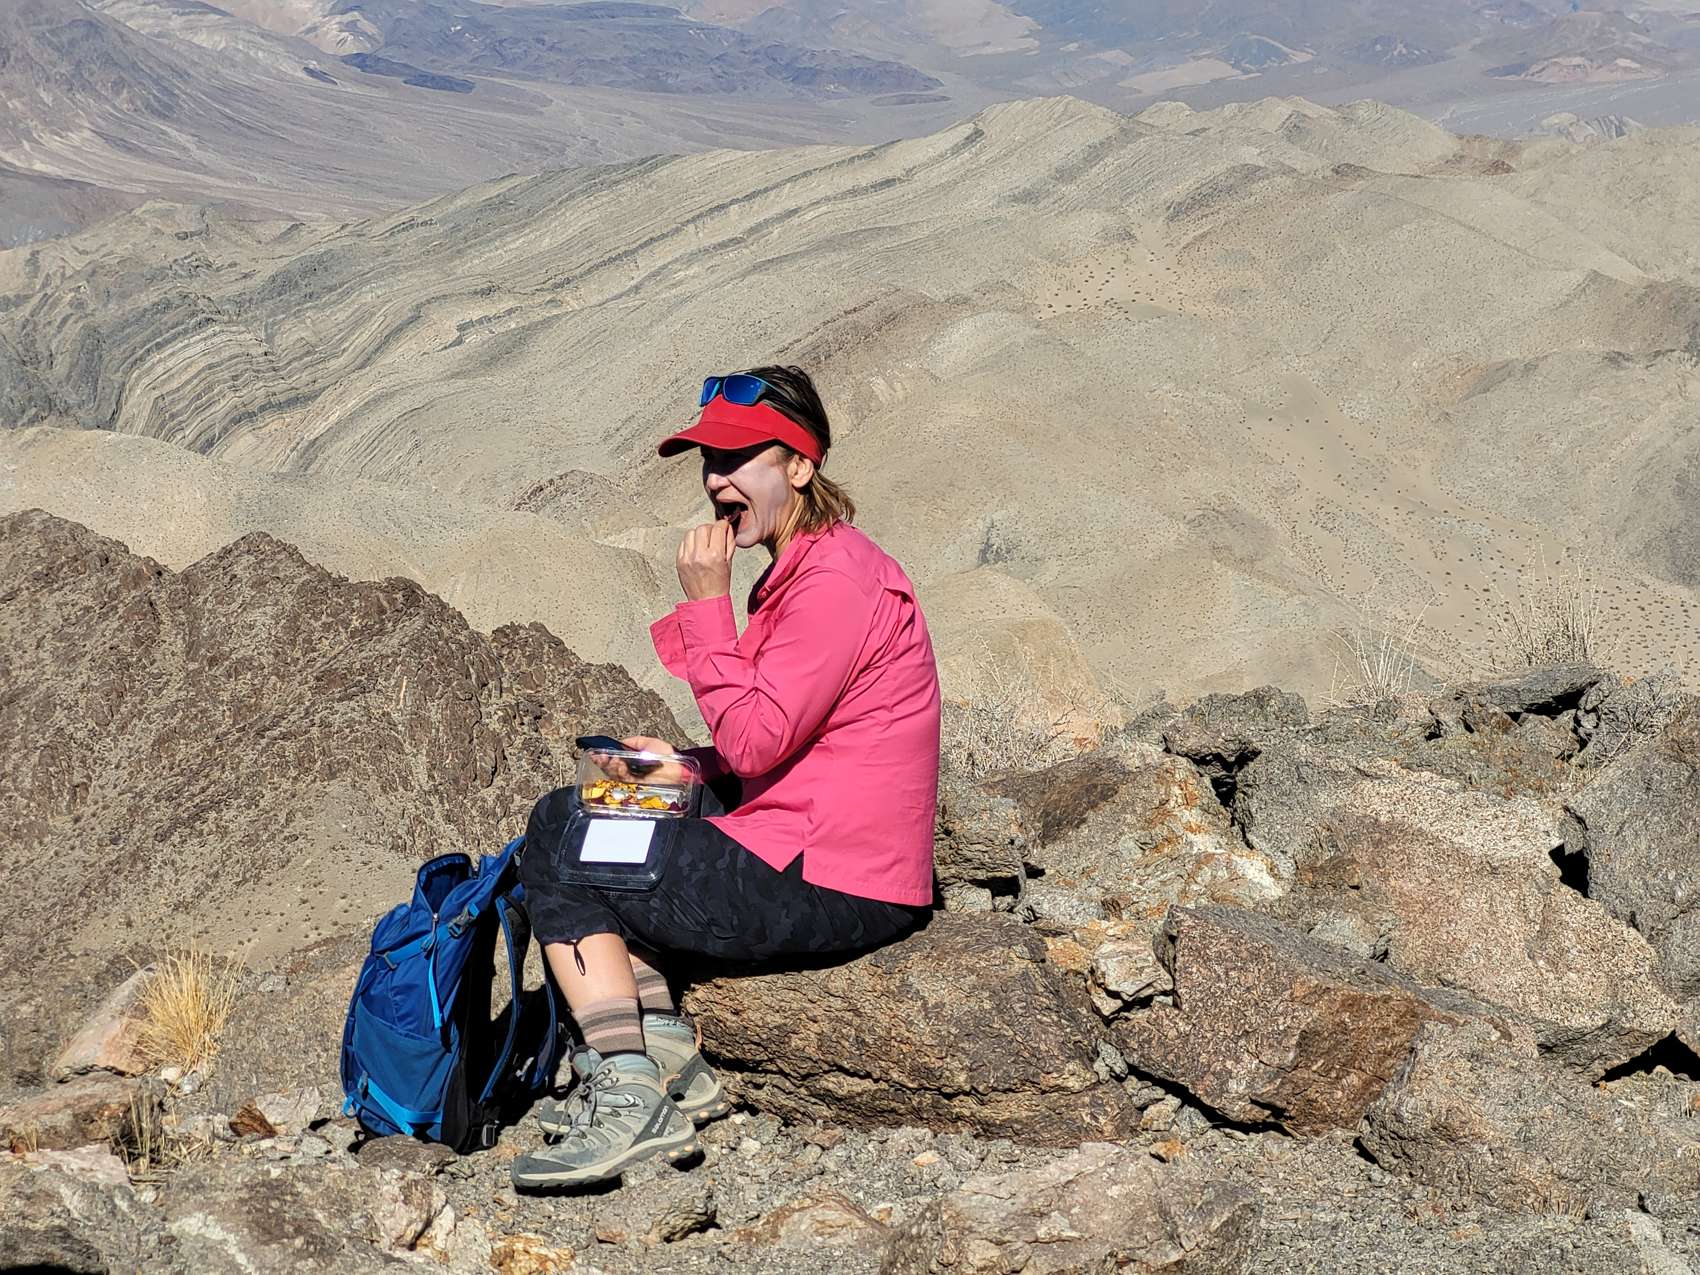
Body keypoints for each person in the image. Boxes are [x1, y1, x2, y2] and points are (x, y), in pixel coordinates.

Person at [511, 365, 941, 1188]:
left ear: (802, 465)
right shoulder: (811, 563)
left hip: (836, 876)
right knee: (582, 806)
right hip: (814, 833)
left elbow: (754, 741)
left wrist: (707, 603)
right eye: (711, 459)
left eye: (739, 458)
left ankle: (629, 1093)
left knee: (568, 848)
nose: (716, 480)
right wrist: (682, 767)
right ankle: (664, 1044)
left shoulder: (835, 582)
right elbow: (786, 740)